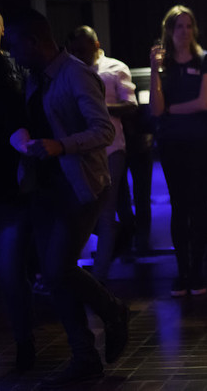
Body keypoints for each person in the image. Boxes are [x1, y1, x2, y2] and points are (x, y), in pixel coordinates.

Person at [5, 10, 129, 387]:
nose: (12, 53)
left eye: (15, 45)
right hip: (44, 187)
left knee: (58, 268)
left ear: (34, 42)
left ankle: (113, 310)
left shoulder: (76, 74)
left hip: (79, 186)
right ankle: (84, 357)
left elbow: (103, 130)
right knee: (54, 275)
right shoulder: (34, 76)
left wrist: (61, 145)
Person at [150, 6, 207, 296]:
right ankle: (183, 271)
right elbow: (155, 109)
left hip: (200, 142)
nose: (185, 31)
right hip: (171, 143)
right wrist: (154, 70)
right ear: (169, 30)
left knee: (200, 205)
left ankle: (198, 270)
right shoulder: (164, 65)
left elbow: (203, 103)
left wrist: (171, 110)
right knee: (179, 207)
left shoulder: (204, 59)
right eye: (179, 26)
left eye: (189, 26)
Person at [68, 25, 138, 283]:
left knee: (106, 212)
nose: (78, 55)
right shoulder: (72, 70)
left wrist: (98, 107)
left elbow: (131, 105)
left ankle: (97, 278)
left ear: (96, 46)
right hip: (80, 150)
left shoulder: (114, 68)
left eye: (82, 50)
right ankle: (79, 273)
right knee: (83, 210)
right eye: (74, 51)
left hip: (111, 149)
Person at [0, 9, 34, 373]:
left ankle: (25, 343)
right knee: (10, 271)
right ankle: (24, 343)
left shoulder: (11, 70)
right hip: (8, 185)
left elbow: (21, 123)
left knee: (10, 270)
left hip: (8, 186)